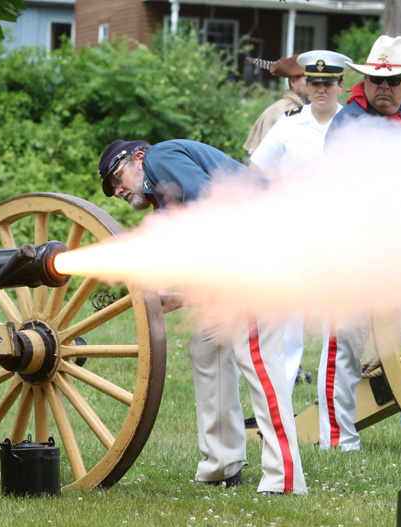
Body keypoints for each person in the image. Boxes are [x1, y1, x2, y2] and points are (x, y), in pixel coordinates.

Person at [98, 139, 306, 495]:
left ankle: (285, 477)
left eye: (117, 177)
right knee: (207, 346)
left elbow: (209, 209)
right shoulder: (165, 199)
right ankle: (222, 465)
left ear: (138, 158)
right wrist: (179, 297)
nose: (117, 190)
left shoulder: (159, 158)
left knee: (255, 355)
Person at [320, 35, 401, 457]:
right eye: (375, 80)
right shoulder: (349, 122)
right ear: (365, 80)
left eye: (392, 81)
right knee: (346, 348)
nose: (383, 88)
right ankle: (340, 443)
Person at [248, 50, 351, 397]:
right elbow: (257, 172)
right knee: (288, 326)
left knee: (335, 328)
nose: (320, 89)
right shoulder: (289, 125)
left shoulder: (352, 124)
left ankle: (331, 410)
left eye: (328, 83)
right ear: (305, 84)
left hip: (339, 236)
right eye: (314, 82)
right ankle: (280, 403)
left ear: (340, 84)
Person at [242, 55, 308, 156]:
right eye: (307, 78)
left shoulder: (311, 109)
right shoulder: (280, 111)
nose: (315, 83)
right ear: (293, 82)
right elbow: (266, 160)